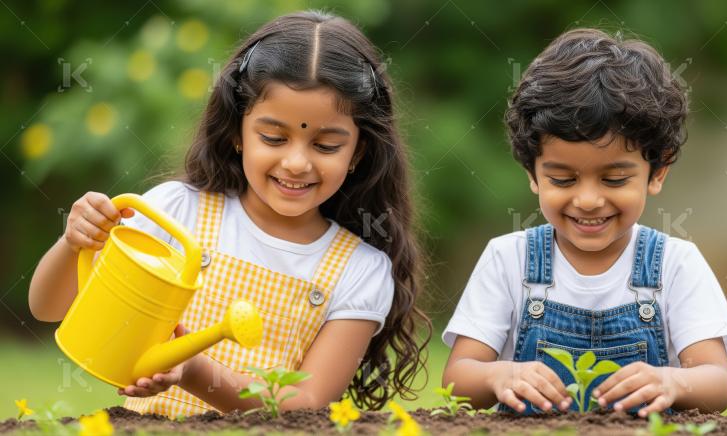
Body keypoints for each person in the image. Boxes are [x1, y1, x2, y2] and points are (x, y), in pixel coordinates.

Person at [29, 10, 429, 418]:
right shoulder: (176, 210)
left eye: (326, 146)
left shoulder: (359, 269)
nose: (295, 162)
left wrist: (194, 371)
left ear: (358, 152)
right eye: (273, 137)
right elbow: (51, 308)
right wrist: (73, 242)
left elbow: (307, 403)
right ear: (238, 132)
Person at [441, 28, 727, 417]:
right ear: (531, 172)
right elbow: (457, 380)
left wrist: (673, 381)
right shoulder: (508, 259)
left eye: (614, 179)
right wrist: (498, 376)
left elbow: (717, 382)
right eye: (562, 179)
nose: (587, 200)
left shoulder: (675, 264)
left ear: (657, 171)